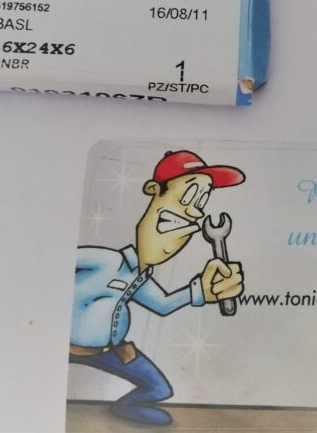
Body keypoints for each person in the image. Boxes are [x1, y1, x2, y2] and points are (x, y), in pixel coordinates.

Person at [70, 150, 245, 425]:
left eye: (202, 199)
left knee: (160, 389)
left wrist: (203, 291)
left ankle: (125, 409)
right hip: (61, 347)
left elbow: (162, 303)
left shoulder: (140, 278)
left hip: (110, 352)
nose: (194, 210)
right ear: (154, 190)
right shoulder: (107, 260)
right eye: (189, 195)